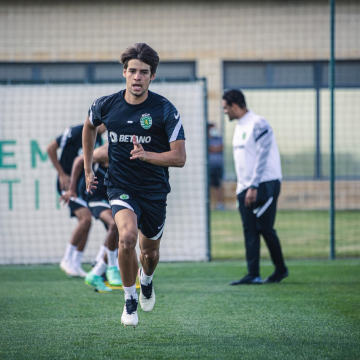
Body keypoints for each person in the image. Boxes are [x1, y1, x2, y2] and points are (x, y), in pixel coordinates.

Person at [82, 43, 186, 327]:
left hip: (154, 191)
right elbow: (89, 126)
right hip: (120, 185)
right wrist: (88, 165)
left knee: (149, 253)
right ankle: (129, 300)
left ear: (152, 76)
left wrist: (147, 155)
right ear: (124, 73)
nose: (137, 77)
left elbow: (179, 158)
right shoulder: (106, 104)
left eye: (144, 72)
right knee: (126, 237)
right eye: (132, 71)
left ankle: (147, 279)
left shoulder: (165, 110)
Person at [222, 89, 288, 285]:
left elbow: (262, 156)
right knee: (249, 229)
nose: (225, 111)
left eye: (226, 108)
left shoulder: (259, 124)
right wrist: (241, 188)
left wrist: (254, 185)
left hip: (265, 184)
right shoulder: (239, 127)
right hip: (245, 187)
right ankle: (253, 274)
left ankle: (280, 269)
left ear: (235, 106)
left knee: (264, 227)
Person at [60, 143, 122, 292]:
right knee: (115, 225)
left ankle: (97, 271)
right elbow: (79, 160)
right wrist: (72, 188)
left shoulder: (137, 149)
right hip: (97, 199)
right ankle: (112, 268)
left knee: (124, 234)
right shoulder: (107, 151)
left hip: (115, 198)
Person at [47, 123, 105, 277]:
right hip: (67, 184)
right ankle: (67, 259)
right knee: (85, 219)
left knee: (87, 222)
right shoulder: (76, 132)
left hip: (82, 186)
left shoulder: (99, 139)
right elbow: (50, 148)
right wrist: (61, 174)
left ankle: (76, 263)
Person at [208, 123, 225, 210]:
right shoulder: (206, 140)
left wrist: (213, 149)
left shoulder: (219, 138)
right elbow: (209, 148)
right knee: (207, 186)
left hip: (217, 167)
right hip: (208, 168)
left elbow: (221, 147)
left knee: (217, 186)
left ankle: (220, 204)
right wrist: (214, 148)